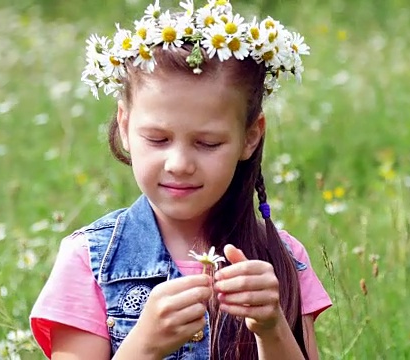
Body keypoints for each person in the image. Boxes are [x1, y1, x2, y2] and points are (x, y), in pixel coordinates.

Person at [29, 0, 332, 358]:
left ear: (250, 137)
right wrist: (143, 346)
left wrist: (272, 327)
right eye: (158, 139)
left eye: (208, 143)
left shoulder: (280, 258)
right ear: (124, 125)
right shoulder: (90, 261)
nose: (179, 164)